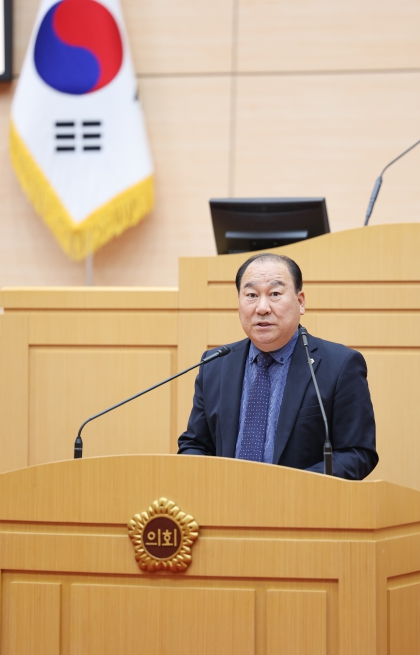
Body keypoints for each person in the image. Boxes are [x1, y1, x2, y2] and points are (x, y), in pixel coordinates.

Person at [178, 253, 378, 480]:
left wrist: (288, 488)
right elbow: (195, 445)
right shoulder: (215, 365)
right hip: (225, 499)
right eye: (251, 295)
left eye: (275, 294)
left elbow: (357, 453)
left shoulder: (340, 365)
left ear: (300, 302)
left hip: (300, 500)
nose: (262, 308)